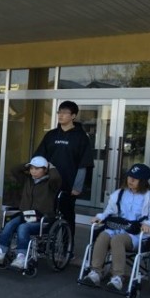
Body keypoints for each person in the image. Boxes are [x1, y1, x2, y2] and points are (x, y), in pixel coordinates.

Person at [83, 163, 150, 291]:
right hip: (118, 228)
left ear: (143, 181)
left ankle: (117, 277)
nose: (131, 180)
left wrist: (149, 224)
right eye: (130, 177)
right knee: (103, 235)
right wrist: (99, 217)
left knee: (117, 240)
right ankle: (95, 272)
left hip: (136, 234)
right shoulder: (119, 193)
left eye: (135, 178)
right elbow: (108, 211)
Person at [34, 100, 93, 241]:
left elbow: (84, 163)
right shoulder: (51, 135)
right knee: (46, 213)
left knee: (67, 215)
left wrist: (77, 187)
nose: (60, 115)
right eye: (59, 112)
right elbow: (39, 158)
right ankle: (46, 244)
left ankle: (67, 246)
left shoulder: (81, 137)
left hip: (68, 185)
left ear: (73, 116)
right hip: (49, 183)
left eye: (65, 113)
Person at [0, 156, 62, 269]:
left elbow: (55, 177)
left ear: (45, 169)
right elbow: (14, 170)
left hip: (43, 219)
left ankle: (21, 257)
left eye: (37, 169)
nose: (33, 171)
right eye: (31, 168)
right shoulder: (28, 180)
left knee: (23, 227)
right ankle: (0, 252)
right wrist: (28, 164)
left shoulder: (51, 183)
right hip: (26, 215)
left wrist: (50, 166)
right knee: (10, 224)